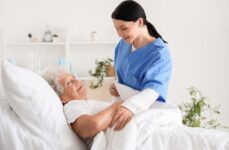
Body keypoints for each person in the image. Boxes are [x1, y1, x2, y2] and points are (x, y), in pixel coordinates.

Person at [109, 0, 172, 131]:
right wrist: (117, 89)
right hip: (123, 107)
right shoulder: (122, 45)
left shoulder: (160, 54)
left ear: (140, 22)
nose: (119, 34)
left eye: (124, 28)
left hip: (145, 112)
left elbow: (152, 90)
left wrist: (129, 107)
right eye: (116, 29)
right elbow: (124, 77)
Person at [42, 67, 137, 150]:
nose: (76, 81)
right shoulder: (72, 106)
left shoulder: (82, 104)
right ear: (62, 99)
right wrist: (119, 105)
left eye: (74, 78)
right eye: (69, 83)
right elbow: (92, 125)